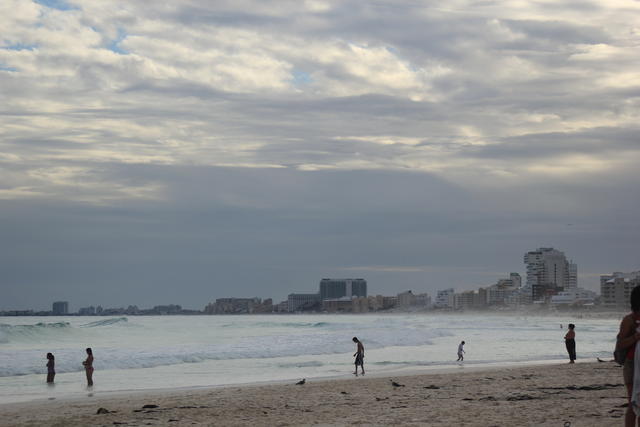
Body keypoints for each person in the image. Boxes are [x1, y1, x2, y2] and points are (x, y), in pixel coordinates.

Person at [617, 286, 640, 427]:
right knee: (633, 402)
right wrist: (636, 337)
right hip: (632, 364)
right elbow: (621, 344)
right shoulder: (629, 320)